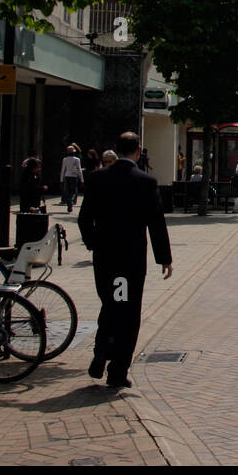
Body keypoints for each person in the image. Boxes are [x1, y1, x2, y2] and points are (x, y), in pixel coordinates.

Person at [78, 131, 172, 389]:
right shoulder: (145, 182)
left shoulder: (97, 179)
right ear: (138, 150)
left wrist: (93, 243)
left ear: (117, 150)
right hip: (130, 261)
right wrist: (164, 258)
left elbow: (84, 218)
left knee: (110, 304)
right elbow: (156, 223)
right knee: (128, 313)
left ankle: (102, 349)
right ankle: (118, 368)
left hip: (105, 258)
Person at [60, 145, 83, 212]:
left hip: (67, 176)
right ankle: (71, 202)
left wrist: (61, 180)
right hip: (74, 177)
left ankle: (69, 202)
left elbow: (63, 170)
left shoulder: (65, 159)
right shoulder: (77, 159)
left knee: (67, 191)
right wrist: (82, 180)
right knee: (73, 191)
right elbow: (79, 170)